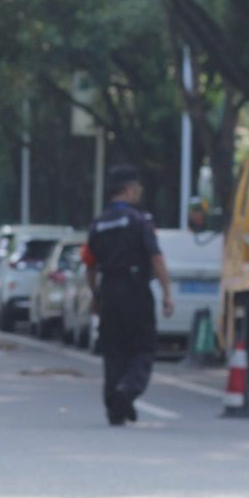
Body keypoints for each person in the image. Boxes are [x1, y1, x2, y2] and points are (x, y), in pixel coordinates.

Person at [84, 163, 174, 426]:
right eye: (138, 187)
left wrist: (95, 296)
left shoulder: (98, 224)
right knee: (143, 347)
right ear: (130, 189)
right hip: (136, 290)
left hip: (109, 291)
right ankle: (128, 390)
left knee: (114, 352)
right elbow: (156, 258)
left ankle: (115, 408)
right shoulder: (139, 221)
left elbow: (89, 265)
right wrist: (167, 293)